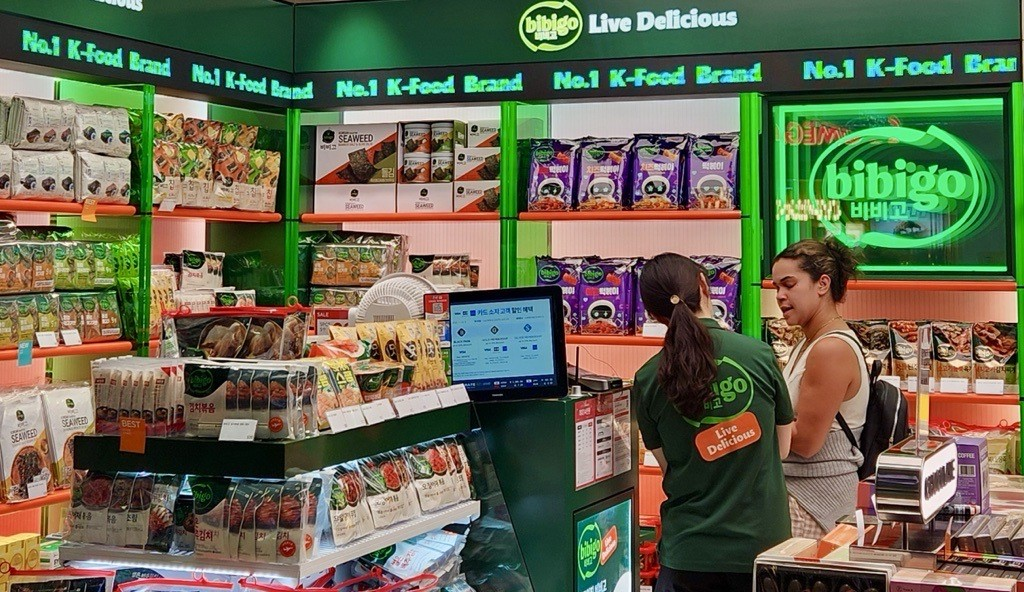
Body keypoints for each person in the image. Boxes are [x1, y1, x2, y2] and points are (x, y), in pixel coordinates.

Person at [635, 253, 794, 592]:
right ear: (704, 286)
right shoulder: (759, 355)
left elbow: (669, 468)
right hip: (762, 550)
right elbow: (782, 448)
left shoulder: (647, 379)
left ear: (651, 313)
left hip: (688, 554)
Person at [771, 238, 869, 539]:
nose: (780, 296)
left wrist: (747, 426)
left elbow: (805, 442)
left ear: (822, 284)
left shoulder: (830, 349)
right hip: (801, 495)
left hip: (815, 504)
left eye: (789, 284)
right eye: (776, 287)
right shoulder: (808, 342)